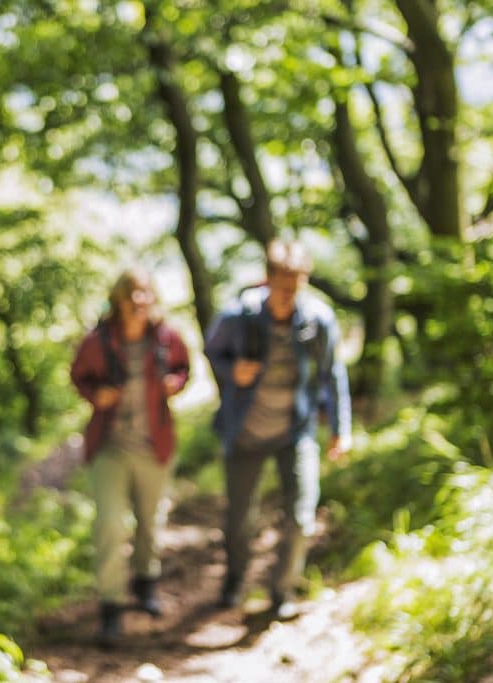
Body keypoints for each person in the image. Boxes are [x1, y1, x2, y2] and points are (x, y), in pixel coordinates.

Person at [204, 239, 351, 618]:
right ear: (267, 280)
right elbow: (212, 350)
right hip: (245, 433)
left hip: (294, 431)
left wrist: (340, 428)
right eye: (282, 286)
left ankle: (281, 591)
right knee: (240, 519)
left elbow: (333, 373)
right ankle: (235, 580)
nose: (289, 296)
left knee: (302, 516)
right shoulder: (239, 316)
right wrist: (231, 371)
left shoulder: (318, 320)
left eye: (296, 286)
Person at [70, 268, 190, 646]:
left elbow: (185, 368)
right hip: (110, 447)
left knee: (149, 522)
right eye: (132, 294)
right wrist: (96, 395)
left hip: (155, 446)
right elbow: (79, 376)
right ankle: (111, 605)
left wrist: (176, 383)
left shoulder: (167, 338)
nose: (140, 301)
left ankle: (146, 583)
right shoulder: (97, 341)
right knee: (109, 523)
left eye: (146, 293)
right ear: (119, 299)